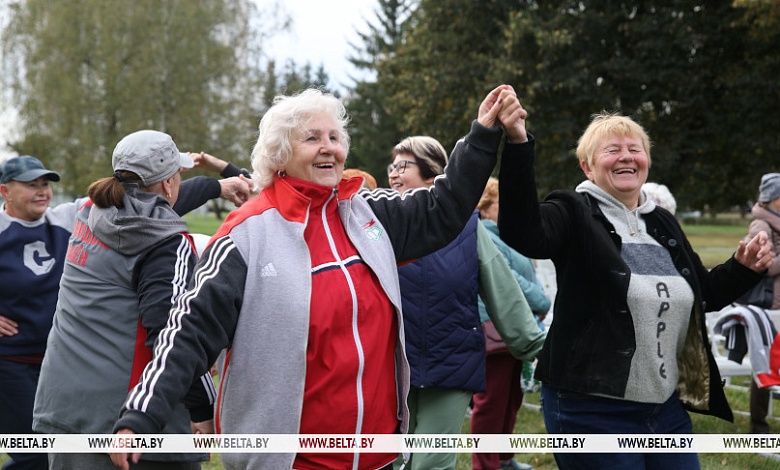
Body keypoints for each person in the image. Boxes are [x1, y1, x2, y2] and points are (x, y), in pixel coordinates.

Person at [109, 85, 514, 470]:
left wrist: (482, 136)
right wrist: (140, 415)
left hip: (378, 456)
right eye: (312, 138)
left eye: (335, 137)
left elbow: (442, 209)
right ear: (279, 155)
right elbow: (187, 333)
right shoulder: (245, 236)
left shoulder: (368, 212)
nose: (330, 148)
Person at [495, 91, 772, 469]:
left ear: (646, 161)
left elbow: (702, 295)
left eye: (635, 148)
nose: (626, 155)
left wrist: (743, 268)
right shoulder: (573, 211)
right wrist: (517, 142)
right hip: (590, 409)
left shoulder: (661, 222)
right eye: (612, 150)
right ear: (587, 167)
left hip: (665, 409)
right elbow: (524, 232)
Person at [0, 151, 249, 470]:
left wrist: (216, 186)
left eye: (45, 184)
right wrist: (203, 406)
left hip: (63, 361)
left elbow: (144, 205)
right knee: (31, 455)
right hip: (15, 361)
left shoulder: (69, 215)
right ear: (6, 191)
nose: (42, 191)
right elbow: (169, 333)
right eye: (31, 185)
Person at [387, 137, 545, 470]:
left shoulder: (469, 228)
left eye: (403, 166)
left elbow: (503, 291)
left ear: (433, 172)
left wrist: (537, 347)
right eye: (392, 166)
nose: (393, 174)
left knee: (431, 462)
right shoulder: (377, 224)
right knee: (392, 460)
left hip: (451, 362)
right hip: (391, 365)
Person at [470, 177, 550, 470]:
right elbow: (510, 281)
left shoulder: (504, 234)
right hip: (495, 327)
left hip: (512, 327)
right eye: (501, 203)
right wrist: (541, 302)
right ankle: (486, 465)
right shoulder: (487, 235)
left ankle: (502, 459)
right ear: (485, 207)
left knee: (510, 399)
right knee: (491, 402)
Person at [744, 173, 780, 434]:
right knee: (766, 367)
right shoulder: (761, 226)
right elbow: (763, 266)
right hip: (772, 307)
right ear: (774, 199)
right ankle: (759, 427)